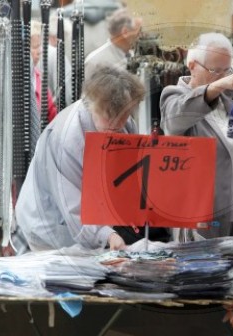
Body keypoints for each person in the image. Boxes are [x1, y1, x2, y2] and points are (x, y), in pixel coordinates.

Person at [15, 66, 145, 251]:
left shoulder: (125, 124)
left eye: (125, 115)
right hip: (49, 226)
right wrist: (106, 234)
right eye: (110, 118)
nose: (119, 123)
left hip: (90, 220)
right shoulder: (66, 139)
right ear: (93, 107)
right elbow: (71, 204)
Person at [160, 32, 233, 239]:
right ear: (192, 66)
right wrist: (219, 85)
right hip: (201, 217)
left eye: (227, 70)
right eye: (215, 70)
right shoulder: (173, 96)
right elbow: (174, 121)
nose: (223, 77)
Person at [84, 8, 142, 75]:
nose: (143, 35)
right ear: (125, 32)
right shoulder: (95, 62)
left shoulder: (134, 56)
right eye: (139, 31)